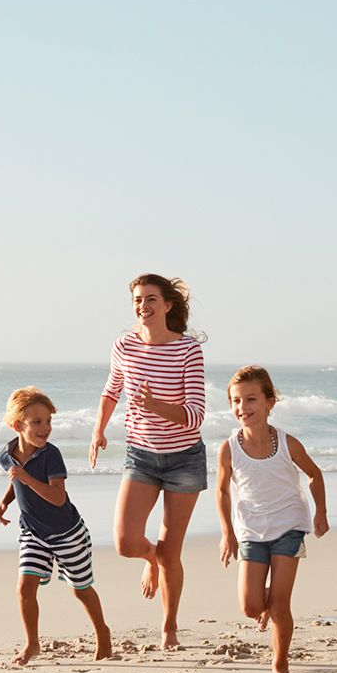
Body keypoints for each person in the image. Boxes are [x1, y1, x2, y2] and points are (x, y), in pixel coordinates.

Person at [90, 273, 207, 650]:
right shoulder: (123, 345)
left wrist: (155, 405)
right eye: (138, 300)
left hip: (184, 459)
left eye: (151, 299)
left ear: (168, 305)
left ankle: (169, 626)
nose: (143, 306)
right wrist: (98, 430)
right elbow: (112, 390)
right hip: (140, 455)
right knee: (125, 542)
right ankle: (150, 558)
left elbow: (195, 415)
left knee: (172, 551)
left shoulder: (188, 350)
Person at [214, 365, 330, 673]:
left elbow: (314, 474)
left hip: (289, 525)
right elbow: (222, 490)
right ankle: (266, 603)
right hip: (251, 530)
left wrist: (320, 513)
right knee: (251, 605)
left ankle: (280, 666)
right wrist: (227, 533)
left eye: (250, 399)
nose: (243, 408)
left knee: (281, 605)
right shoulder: (229, 448)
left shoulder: (287, 443)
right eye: (236, 401)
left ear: (269, 402)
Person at [0, 387, 112, 665]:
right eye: (37, 422)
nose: (45, 428)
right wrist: (4, 502)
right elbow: (16, 481)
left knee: (80, 589)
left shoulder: (51, 455)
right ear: (17, 425)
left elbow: (58, 497)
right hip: (33, 532)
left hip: (67, 532)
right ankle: (32, 644)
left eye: (48, 421)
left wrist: (25, 478)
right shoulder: (7, 455)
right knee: (25, 587)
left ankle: (103, 632)